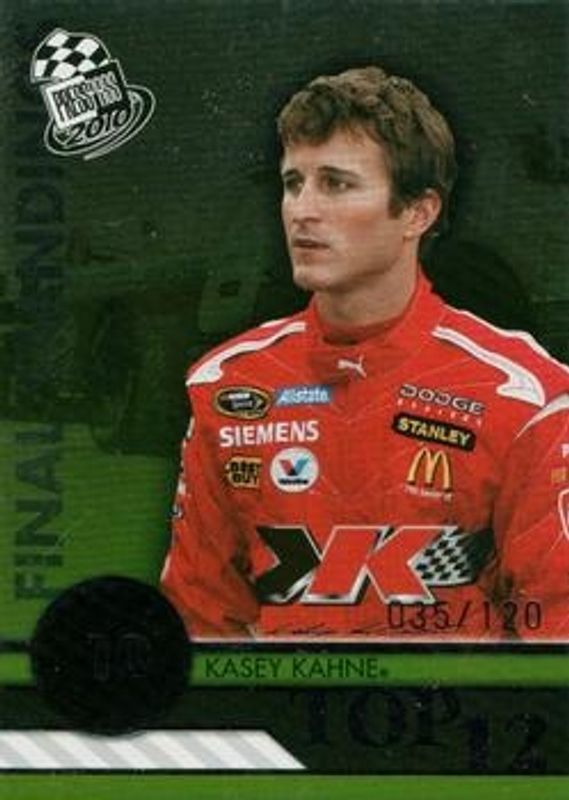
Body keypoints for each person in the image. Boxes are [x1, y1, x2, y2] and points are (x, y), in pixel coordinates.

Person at [160, 66, 569, 641]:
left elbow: (556, 630)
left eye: (336, 183)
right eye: (293, 182)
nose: (302, 209)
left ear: (418, 213)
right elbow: (199, 619)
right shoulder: (226, 384)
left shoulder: (525, 395)